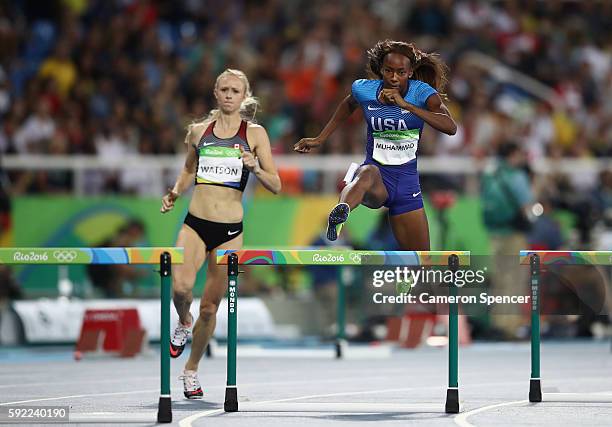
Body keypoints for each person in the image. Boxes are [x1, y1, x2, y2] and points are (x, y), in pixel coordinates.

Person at [160, 69, 281, 399]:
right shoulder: (199, 132)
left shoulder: (255, 134)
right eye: (224, 89)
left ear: (245, 96)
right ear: (215, 92)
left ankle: (191, 371)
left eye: (235, 90)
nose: (229, 94)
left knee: (211, 309)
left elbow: (276, 184)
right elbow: (188, 169)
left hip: (229, 232)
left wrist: (255, 167)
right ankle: (183, 321)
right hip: (195, 223)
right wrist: (174, 192)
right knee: (181, 287)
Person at [294, 40, 456, 250]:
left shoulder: (421, 93)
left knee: (420, 261)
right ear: (380, 69)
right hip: (378, 178)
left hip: (407, 186)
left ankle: (406, 283)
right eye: (388, 71)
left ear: (410, 72)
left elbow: (450, 127)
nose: (394, 77)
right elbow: (348, 105)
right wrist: (319, 139)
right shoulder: (364, 90)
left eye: (400, 72)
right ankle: (341, 212)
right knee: (366, 173)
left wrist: (406, 105)